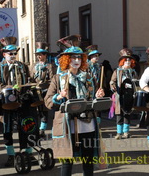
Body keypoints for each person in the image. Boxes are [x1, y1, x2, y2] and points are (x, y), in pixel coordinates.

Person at [44, 35, 105, 176]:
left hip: (87, 124)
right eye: (73, 58)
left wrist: (98, 95)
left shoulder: (88, 77)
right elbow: (47, 101)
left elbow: (92, 99)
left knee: (88, 161)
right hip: (67, 125)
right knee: (67, 162)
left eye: (79, 58)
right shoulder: (58, 78)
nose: (76, 61)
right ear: (66, 60)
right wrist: (59, 96)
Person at [0, 37, 31, 167]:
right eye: (10, 53)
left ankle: (27, 153)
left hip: (22, 100)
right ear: (4, 54)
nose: (13, 55)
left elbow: (28, 79)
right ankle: (10, 155)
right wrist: (6, 88)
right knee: (7, 129)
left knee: (26, 126)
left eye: (15, 53)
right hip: (7, 101)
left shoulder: (22, 66)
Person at [110, 48, 138, 139]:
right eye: (126, 60)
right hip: (119, 95)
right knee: (119, 114)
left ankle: (126, 132)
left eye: (130, 60)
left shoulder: (133, 72)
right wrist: (113, 87)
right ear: (122, 61)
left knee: (127, 113)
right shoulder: (117, 71)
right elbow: (112, 81)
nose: (128, 62)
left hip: (130, 95)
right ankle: (119, 133)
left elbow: (136, 83)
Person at [29, 42, 55, 137]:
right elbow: (30, 78)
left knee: (44, 111)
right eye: (37, 55)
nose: (39, 56)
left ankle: (42, 129)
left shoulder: (50, 66)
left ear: (45, 55)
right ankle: (35, 128)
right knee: (35, 111)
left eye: (40, 55)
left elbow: (52, 80)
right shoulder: (33, 66)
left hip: (45, 91)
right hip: (35, 91)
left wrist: (44, 85)